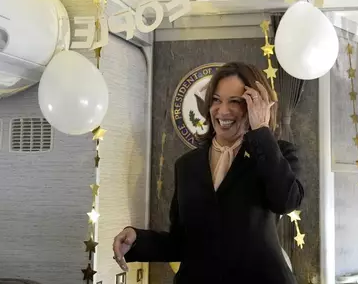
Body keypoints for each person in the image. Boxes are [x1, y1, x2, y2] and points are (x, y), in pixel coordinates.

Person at [112, 62, 304, 284]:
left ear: (255, 105)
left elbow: (286, 201)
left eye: (236, 101)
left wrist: (261, 129)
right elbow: (181, 243)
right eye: (216, 100)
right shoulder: (187, 165)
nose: (223, 111)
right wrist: (137, 239)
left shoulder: (277, 153)